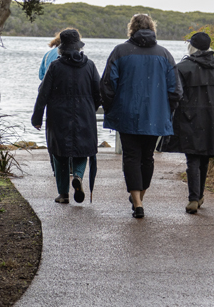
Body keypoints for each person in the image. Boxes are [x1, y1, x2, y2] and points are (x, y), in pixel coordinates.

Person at [101, 14, 182, 218]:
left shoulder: (120, 51)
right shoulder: (164, 54)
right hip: (155, 116)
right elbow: (176, 90)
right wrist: (166, 110)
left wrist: (112, 108)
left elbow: (108, 85)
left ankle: (137, 203)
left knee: (131, 156)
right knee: (147, 157)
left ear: (132, 29)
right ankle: (140, 197)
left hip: (126, 114)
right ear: (152, 28)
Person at [162, 31, 214, 214]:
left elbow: (174, 94)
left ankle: (194, 198)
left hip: (190, 118)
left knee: (192, 158)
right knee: (204, 157)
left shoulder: (183, 68)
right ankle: (199, 196)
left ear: (191, 46)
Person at [32, 29, 102, 204]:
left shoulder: (55, 66)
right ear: (78, 46)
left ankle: (63, 194)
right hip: (85, 113)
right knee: (82, 151)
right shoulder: (90, 65)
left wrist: (37, 117)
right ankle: (77, 176)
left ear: (61, 48)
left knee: (59, 154)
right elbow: (99, 93)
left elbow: (43, 93)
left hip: (58, 115)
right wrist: (90, 108)